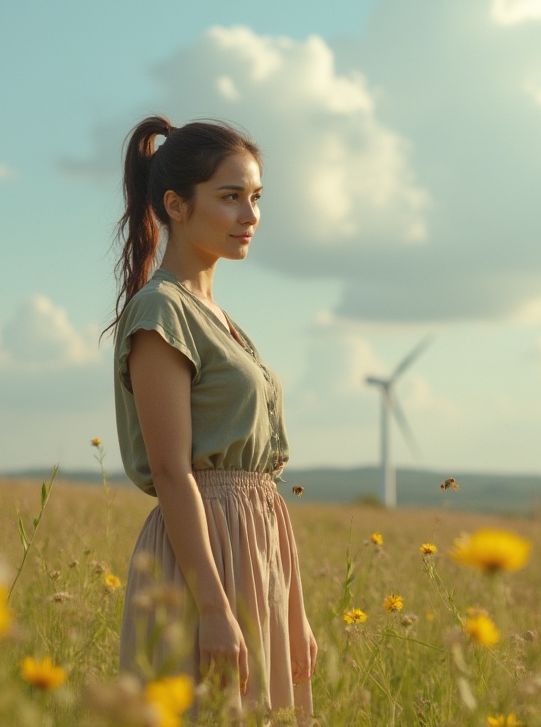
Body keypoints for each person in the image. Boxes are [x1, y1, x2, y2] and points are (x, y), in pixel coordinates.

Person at [107, 116, 316, 721]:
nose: (249, 214)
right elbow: (174, 472)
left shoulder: (221, 318)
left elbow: (261, 482)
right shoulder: (161, 312)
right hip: (205, 558)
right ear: (175, 204)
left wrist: (291, 608)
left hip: (256, 551)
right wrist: (212, 609)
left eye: (255, 198)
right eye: (230, 197)